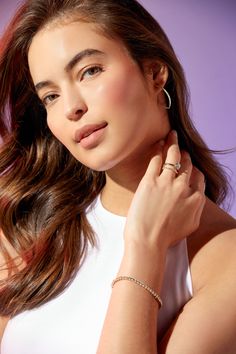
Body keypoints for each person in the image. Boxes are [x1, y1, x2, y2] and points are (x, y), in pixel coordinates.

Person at [0, 0, 235, 352]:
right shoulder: (25, 228)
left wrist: (144, 247)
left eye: (89, 71)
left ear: (155, 72)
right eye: (50, 95)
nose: (70, 108)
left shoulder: (223, 260)